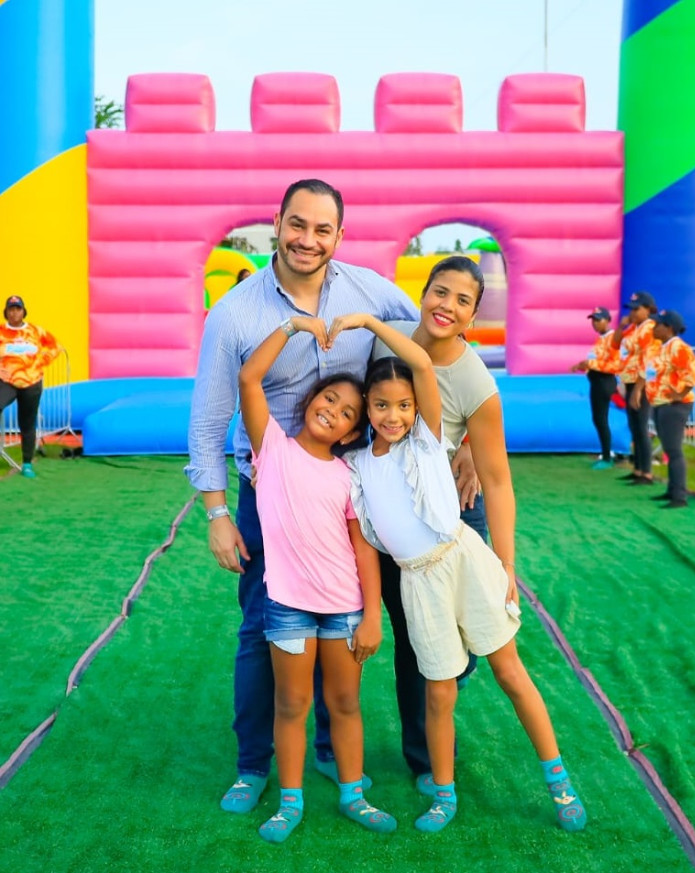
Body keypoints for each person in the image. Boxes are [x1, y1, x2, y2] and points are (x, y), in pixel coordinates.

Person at [185, 179, 418, 813]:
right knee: (264, 627)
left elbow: (429, 343)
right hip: (271, 494)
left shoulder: (370, 291)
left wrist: (461, 442)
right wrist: (216, 513)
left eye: (322, 229)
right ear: (277, 224)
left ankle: (326, 747)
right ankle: (252, 763)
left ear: (340, 235)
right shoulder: (236, 312)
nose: (307, 240)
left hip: (348, 488)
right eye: (297, 225)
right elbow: (209, 419)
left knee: (339, 618)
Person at [333, 311, 587, 835]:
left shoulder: (426, 440)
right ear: (366, 409)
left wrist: (367, 323)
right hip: (416, 581)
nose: (393, 415)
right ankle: (443, 793)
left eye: (403, 405)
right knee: (440, 691)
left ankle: (559, 781)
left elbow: (423, 366)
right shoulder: (359, 465)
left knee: (509, 671)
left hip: (463, 560)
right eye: (381, 405)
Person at [238, 315, 396, 843]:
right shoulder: (273, 449)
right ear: (311, 400)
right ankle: (289, 802)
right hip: (286, 605)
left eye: (348, 413)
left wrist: (372, 616)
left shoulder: (349, 475)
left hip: (345, 609)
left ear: (354, 431)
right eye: (328, 399)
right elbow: (248, 380)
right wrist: (292, 326)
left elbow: (364, 550)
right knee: (292, 705)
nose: (333, 411)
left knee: (345, 703)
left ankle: (354, 794)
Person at [369, 256, 511, 785]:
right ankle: (425, 759)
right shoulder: (389, 342)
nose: (446, 306)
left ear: (473, 314)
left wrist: (506, 564)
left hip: (453, 514)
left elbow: (498, 480)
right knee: (414, 640)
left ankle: (450, 681)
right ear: (422, 293)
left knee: (468, 640)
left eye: (462, 300)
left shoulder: (474, 377)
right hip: (391, 515)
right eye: (439, 292)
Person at [646, 309, 695, 509]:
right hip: (662, 403)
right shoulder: (664, 347)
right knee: (669, 448)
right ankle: (672, 490)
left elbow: (694, 371)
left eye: (658, 324)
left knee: (674, 450)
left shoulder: (678, 347)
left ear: (668, 328)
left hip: (675, 405)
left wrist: (679, 394)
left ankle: (679, 496)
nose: (654, 327)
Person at [0, 295, 61, 478]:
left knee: (27, 423)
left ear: (23, 311)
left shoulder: (35, 330)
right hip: (7, 381)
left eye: (18, 309)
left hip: (32, 382)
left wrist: (41, 362)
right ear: (6, 312)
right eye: (11, 309)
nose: (14, 312)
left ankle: (27, 463)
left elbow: (55, 346)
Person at [612, 291, 659, 485]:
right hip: (630, 381)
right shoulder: (633, 328)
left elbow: (649, 361)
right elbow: (615, 345)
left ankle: (646, 472)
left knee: (641, 427)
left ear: (648, 309)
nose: (632, 312)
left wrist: (639, 389)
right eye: (631, 309)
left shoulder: (650, 329)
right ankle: (638, 468)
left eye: (637, 309)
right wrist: (622, 325)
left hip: (642, 384)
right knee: (634, 426)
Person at [570, 305, 622, 470]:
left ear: (607, 320)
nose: (595, 323)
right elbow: (597, 361)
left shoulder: (612, 339)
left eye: (598, 320)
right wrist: (583, 366)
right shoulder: (601, 338)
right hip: (597, 381)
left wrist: (590, 364)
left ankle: (607, 456)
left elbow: (614, 364)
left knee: (601, 418)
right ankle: (605, 453)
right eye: (593, 320)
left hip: (604, 381)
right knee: (598, 419)